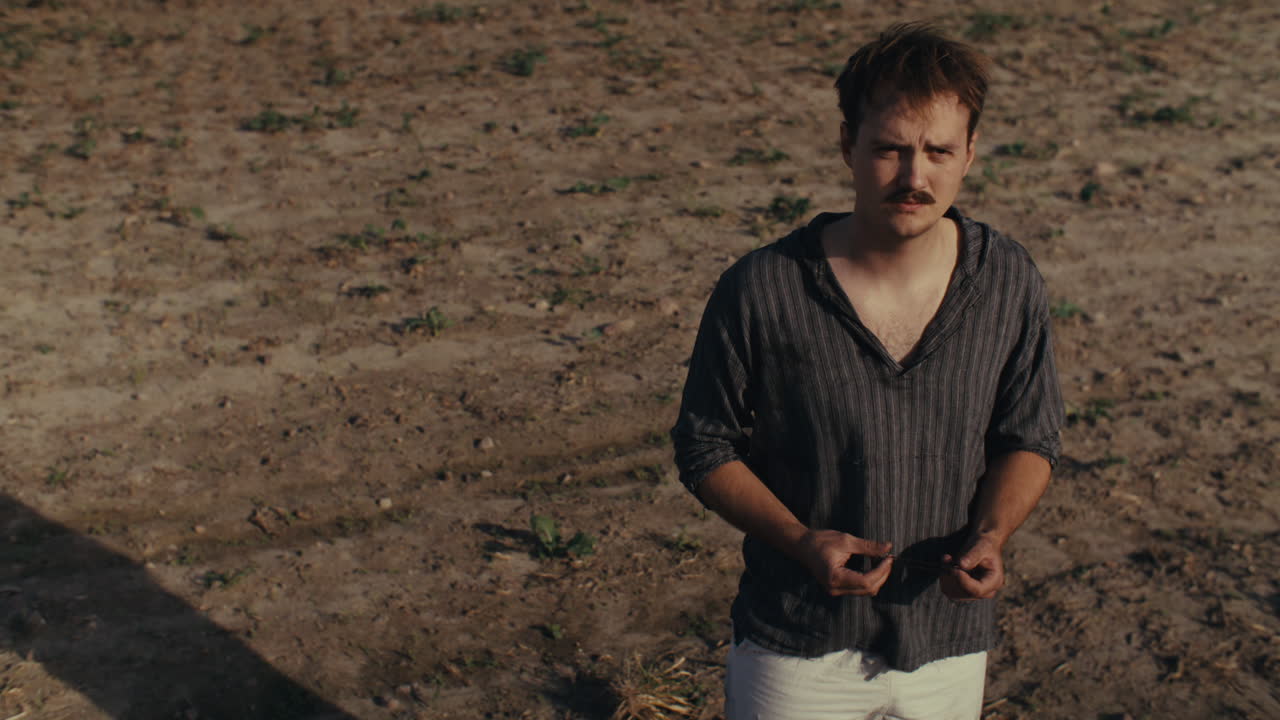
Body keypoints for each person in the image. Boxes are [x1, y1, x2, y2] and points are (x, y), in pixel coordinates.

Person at [670, 22, 1064, 720]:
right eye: (889, 149)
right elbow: (704, 446)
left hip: (949, 646)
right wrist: (799, 542)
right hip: (795, 647)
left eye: (938, 151)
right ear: (846, 144)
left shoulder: (1008, 281)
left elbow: (1028, 438)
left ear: (970, 153)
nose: (915, 177)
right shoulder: (763, 287)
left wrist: (992, 537)